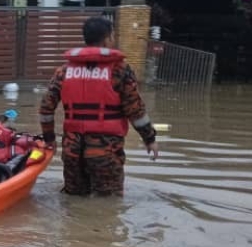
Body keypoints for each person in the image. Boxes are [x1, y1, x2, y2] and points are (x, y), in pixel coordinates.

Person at [38, 16, 160, 196]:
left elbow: (45, 108)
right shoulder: (120, 70)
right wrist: (150, 139)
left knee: (73, 201)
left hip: (73, 151)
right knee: (108, 204)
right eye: (113, 36)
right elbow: (135, 109)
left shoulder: (64, 71)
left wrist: (49, 139)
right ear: (107, 38)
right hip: (105, 152)